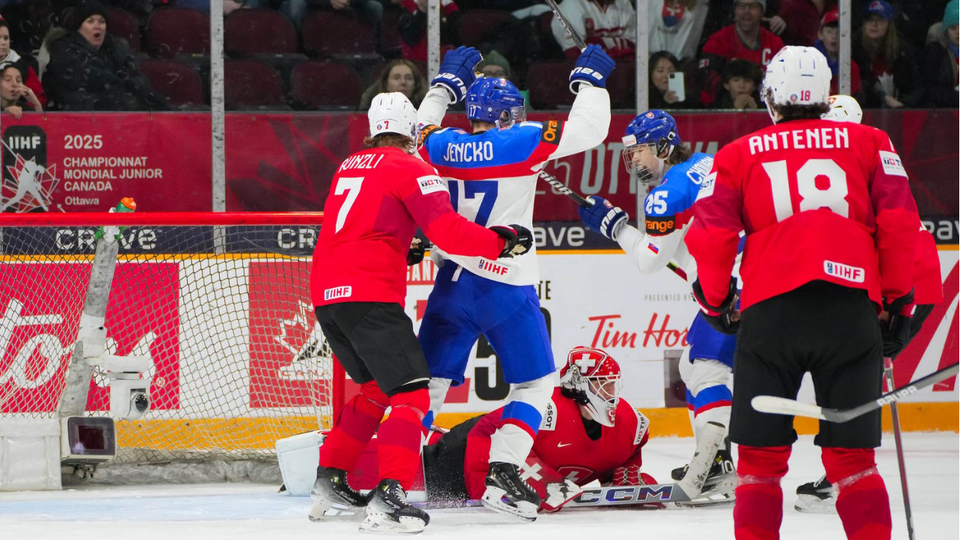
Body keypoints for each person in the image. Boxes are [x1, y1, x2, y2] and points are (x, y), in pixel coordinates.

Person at [685, 46, 919, 540]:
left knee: (758, 466)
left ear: (771, 97)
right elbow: (900, 227)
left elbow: (709, 235)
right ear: (826, 94)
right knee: (854, 463)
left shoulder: (737, 153)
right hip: (850, 314)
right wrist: (897, 302)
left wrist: (714, 298)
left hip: (771, 316)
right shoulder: (872, 142)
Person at [308, 91, 533, 534]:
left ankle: (329, 480)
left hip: (326, 294)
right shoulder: (413, 166)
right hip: (369, 294)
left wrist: (407, 248)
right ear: (412, 130)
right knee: (412, 395)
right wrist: (502, 241)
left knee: (374, 389)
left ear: (373, 128)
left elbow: (368, 226)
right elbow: (448, 231)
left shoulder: (349, 164)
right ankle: (390, 496)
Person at [416, 44, 614, 521]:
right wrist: (590, 82)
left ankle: (394, 471)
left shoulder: (440, 144)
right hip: (504, 283)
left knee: (427, 389)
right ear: (505, 114)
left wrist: (442, 87)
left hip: (452, 280)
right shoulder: (523, 139)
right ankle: (503, 472)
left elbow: (412, 132)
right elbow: (591, 129)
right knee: (536, 385)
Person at [794, 94, 944, 513]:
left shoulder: (859, 165)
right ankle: (846, 472)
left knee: (849, 378)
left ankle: (846, 476)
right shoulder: (870, 159)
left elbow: (887, 239)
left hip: (900, 288)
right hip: (901, 286)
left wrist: (886, 304)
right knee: (849, 376)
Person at [577, 110, 737, 505]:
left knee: (702, 368)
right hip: (757, 273)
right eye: (631, 154)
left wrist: (616, 228)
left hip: (733, 289)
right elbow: (677, 245)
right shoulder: (704, 163)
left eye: (642, 151)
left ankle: (711, 465)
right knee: (693, 365)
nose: (635, 161)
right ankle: (719, 463)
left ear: (665, 146)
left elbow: (650, 259)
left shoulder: (665, 195)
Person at [423, 346, 657, 512]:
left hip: (488, 455)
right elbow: (488, 431)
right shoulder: (547, 407)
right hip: (463, 456)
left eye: (612, 385)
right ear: (579, 386)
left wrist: (624, 474)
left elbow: (621, 456)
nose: (610, 394)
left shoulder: (631, 422)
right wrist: (540, 482)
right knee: (403, 468)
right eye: (601, 385)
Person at [43, 1, 171, 111]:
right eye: (90, 21)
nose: (97, 26)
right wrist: (128, 88)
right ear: (78, 28)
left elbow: (141, 83)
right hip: (82, 121)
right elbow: (95, 81)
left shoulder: (118, 51)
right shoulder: (64, 52)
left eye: (102, 21)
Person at [698, 0, 784, 107]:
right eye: (741, 6)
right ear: (734, 11)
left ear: (762, 12)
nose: (746, 11)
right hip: (719, 110)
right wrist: (731, 97)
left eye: (753, 6)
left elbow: (783, 82)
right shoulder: (718, 41)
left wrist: (757, 98)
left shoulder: (775, 43)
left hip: (765, 110)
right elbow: (705, 76)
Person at [852, 0, 924, 108]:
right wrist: (882, 98)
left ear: (889, 24)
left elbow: (917, 88)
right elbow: (858, 87)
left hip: (899, 110)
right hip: (866, 110)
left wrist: (904, 104)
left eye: (880, 20)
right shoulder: (854, 47)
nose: (874, 24)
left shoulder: (902, 50)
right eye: (869, 20)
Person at [550, 0, 636, 60]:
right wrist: (618, 45)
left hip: (621, 72)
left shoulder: (623, 2)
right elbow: (575, 52)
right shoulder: (571, 5)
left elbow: (634, 45)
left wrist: (594, 42)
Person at [815, 9, 864, 99]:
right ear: (820, 34)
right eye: (829, 31)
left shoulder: (852, 67)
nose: (834, 37)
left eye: (839, 33)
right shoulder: (811, 64)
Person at [0, 15, 45, 108]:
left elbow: (39, 98)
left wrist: (23, 109)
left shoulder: (22, 65)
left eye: (6, 38)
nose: (3, 42)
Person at [922, 0, 959, 107]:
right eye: (953, 28)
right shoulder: (935, 51)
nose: (958, 32)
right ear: (946, 29)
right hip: (945, 110)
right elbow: (931, 88)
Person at [358, 59, 427, 111]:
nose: (403, 82)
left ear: (415, 84)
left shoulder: (426, 111)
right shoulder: (371, 111)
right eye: (396, 78)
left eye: (408, 78)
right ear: (386, 84)